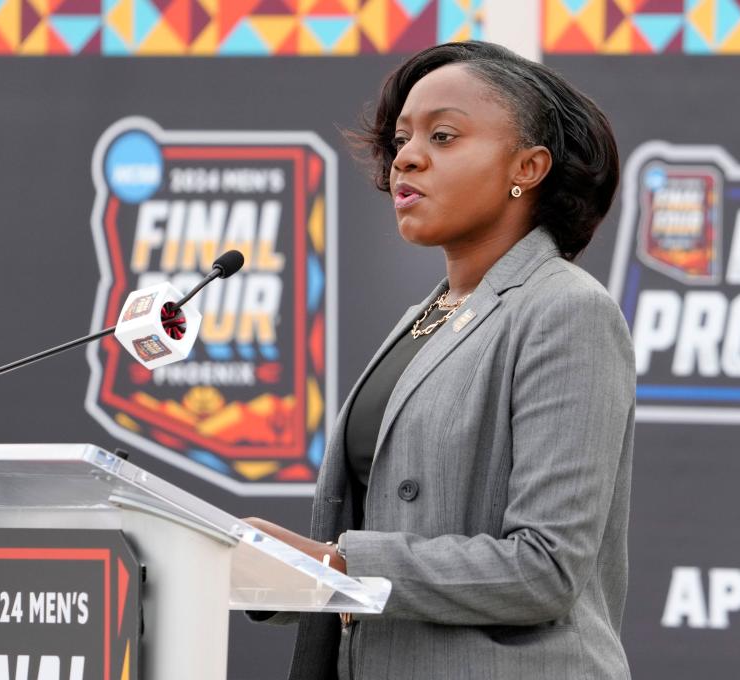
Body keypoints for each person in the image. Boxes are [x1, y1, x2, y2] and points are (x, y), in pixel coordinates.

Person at [246, 40, 635, 680]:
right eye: (401, 139)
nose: (407, 157)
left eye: (444, 136)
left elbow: (547, 568)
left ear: (529, 167)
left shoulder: (566, 311)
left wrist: (339, 565)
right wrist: (277, 570)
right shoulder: (435, 311)